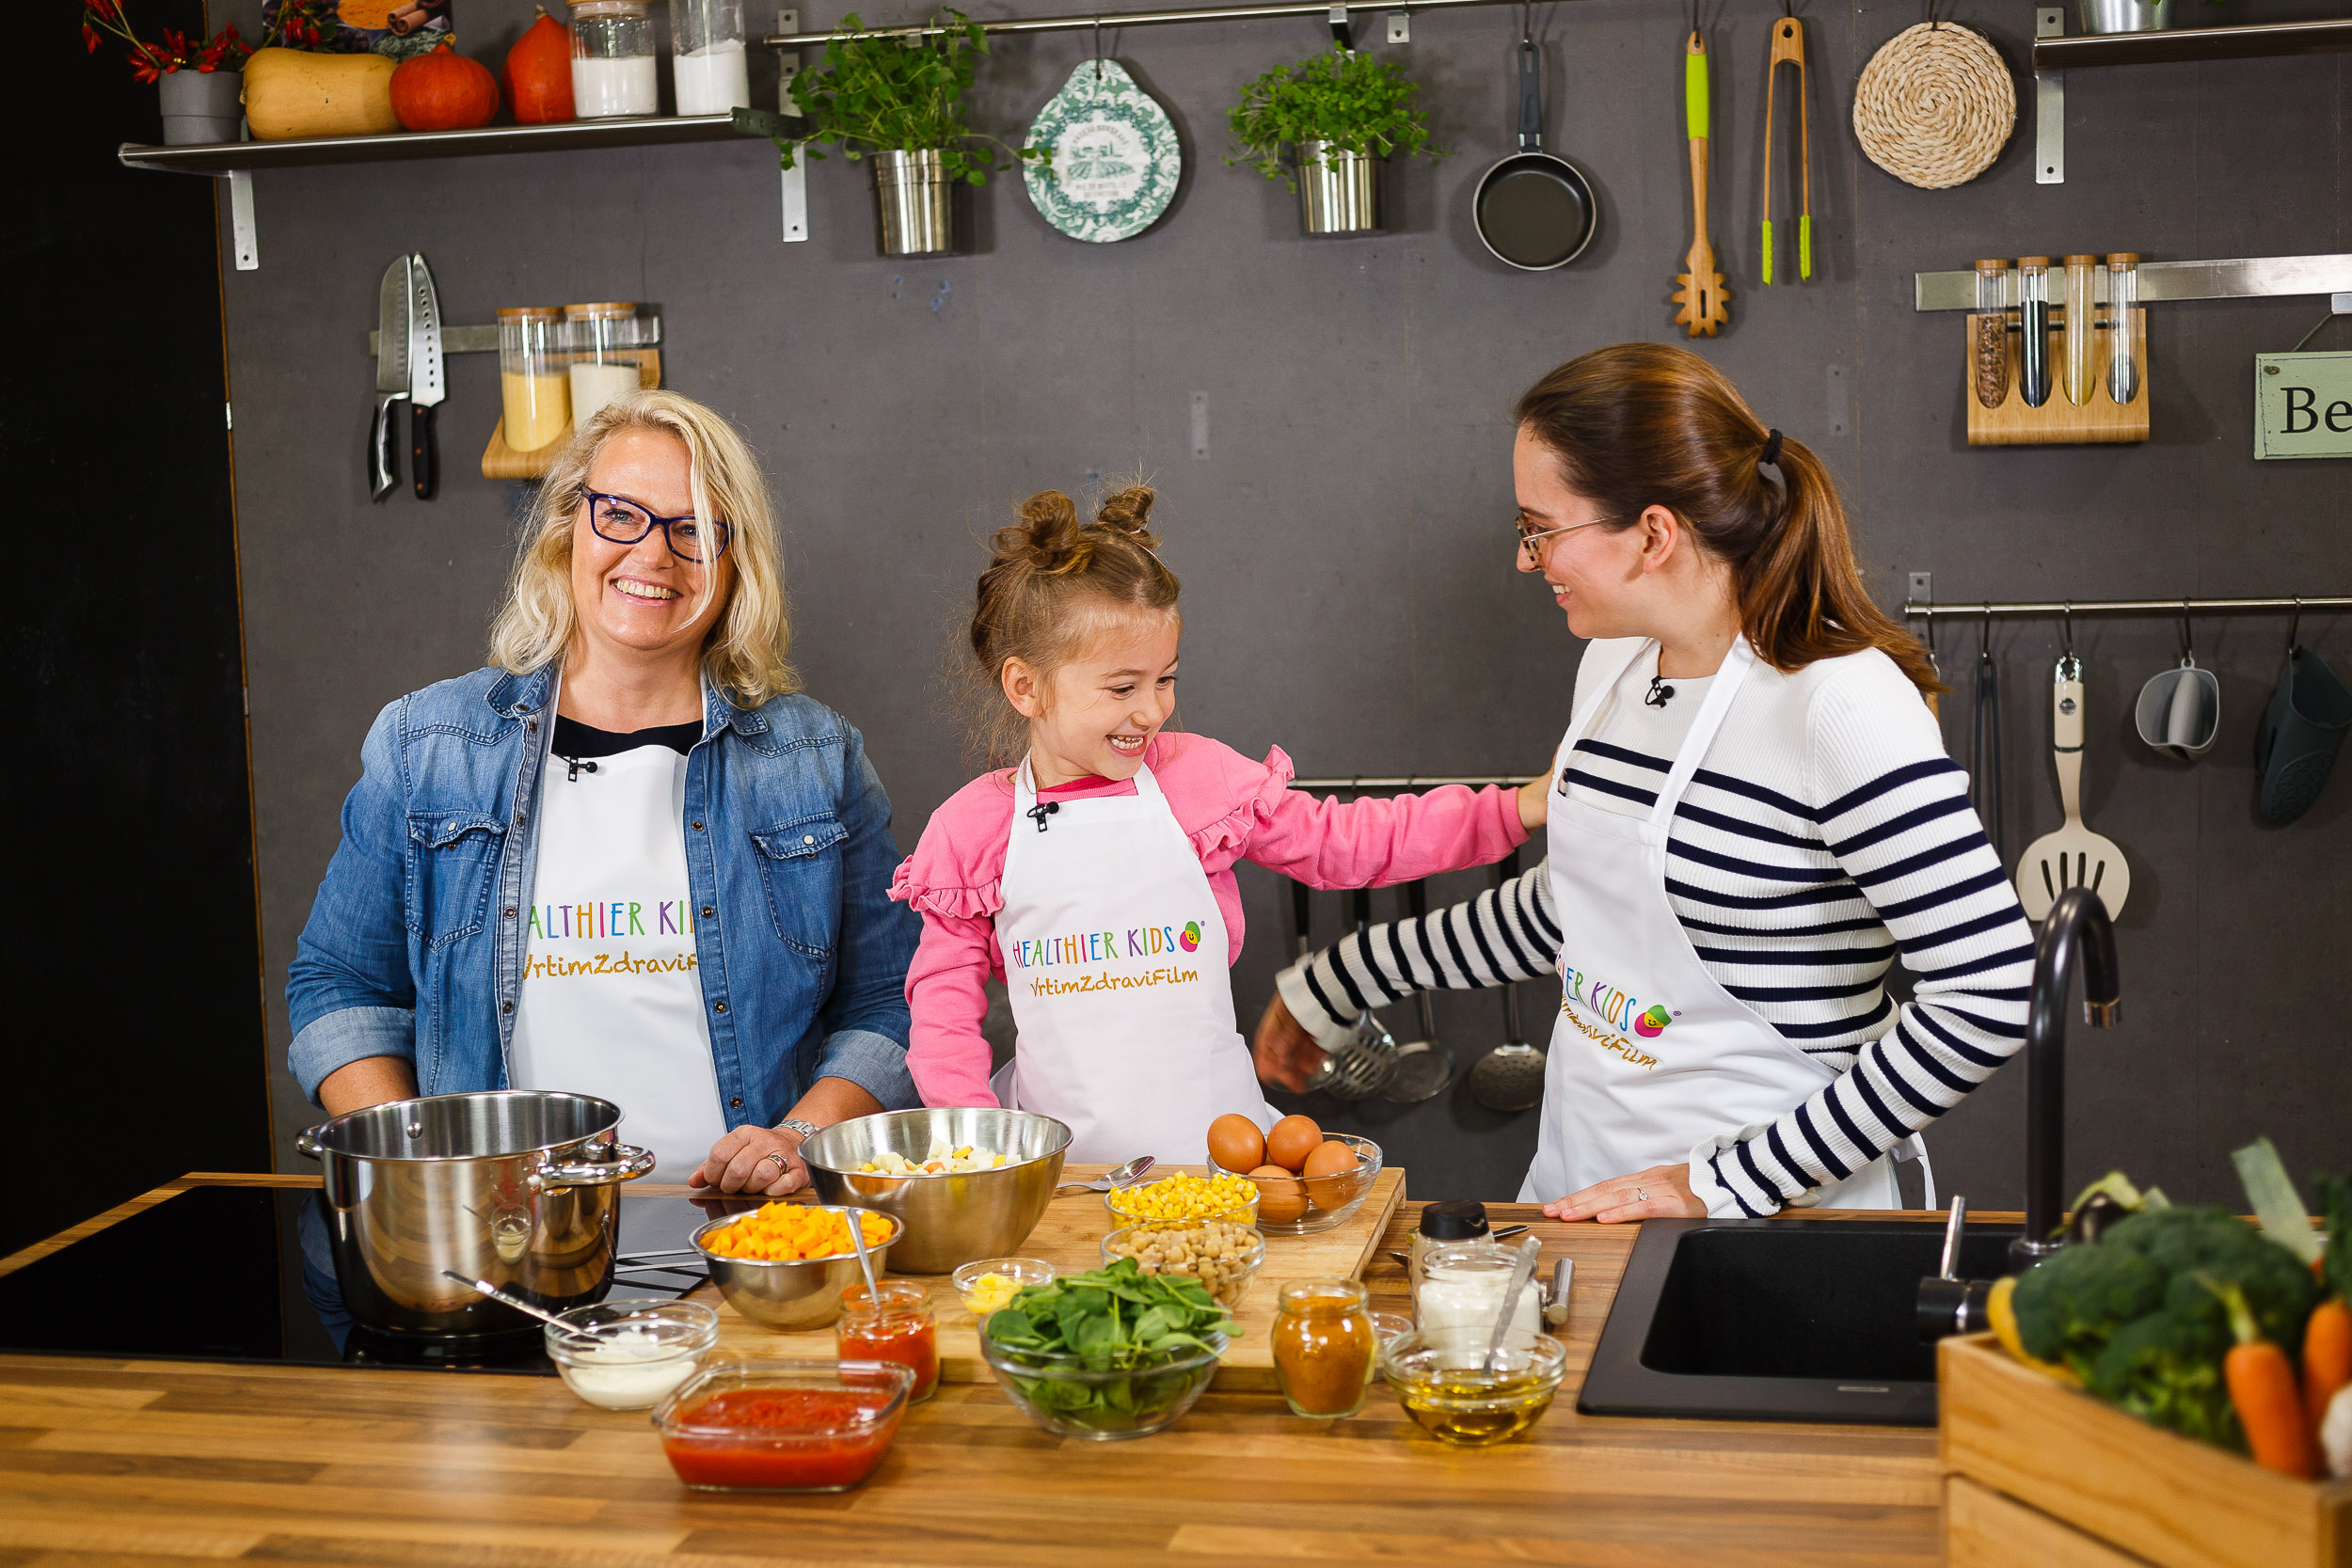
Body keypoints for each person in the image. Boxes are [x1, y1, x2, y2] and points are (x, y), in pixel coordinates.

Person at [1254, 343, 2034, 1220]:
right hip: (1584, 1191)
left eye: (1541, 529)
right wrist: (1344, 976)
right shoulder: (1612, 666)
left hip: (1772, 1226)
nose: (1527, 560)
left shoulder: (1839, 704)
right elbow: (1581, 906)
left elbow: (1988, 991)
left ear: (1654, 533)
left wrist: (1723, 1182)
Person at [287, 390, 919, 1200]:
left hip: (749, 1232)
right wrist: (422, 1169)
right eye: (620, 514)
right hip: (500, 1232)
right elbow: (339, 987)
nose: (653, 554)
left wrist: (797, 1139)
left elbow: (891, 1001)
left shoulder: (817, 757)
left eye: (694, 528)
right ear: (566, 528)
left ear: (737, 561)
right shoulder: (428, 747)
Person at [889, 485, 1548, 1165]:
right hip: (1061, 1180)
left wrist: (1513, 809)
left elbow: (1351, 842)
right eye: (1122, 687)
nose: (1152, 711)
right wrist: (984, 1152)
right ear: (1025, 687)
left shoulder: (1200, 780)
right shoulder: (971, 830)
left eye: (1165, 679)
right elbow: (942, 1015)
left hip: (1219, 1165)